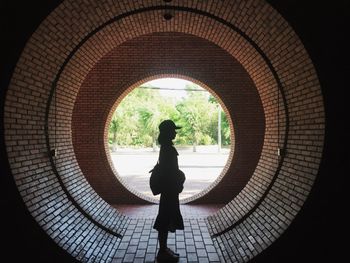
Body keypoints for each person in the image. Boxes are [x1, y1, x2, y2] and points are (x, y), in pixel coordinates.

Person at [153, 120, 185, 262]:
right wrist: (179, 178)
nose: (175, 132)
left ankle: (164, 248)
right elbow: (170, 171)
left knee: (165, 217)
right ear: (168, 132)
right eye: (173, 130)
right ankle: (162, 251)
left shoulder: (166, 147)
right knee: (164, 219)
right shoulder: (168, 149)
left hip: (169, 189)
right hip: (169, 190)